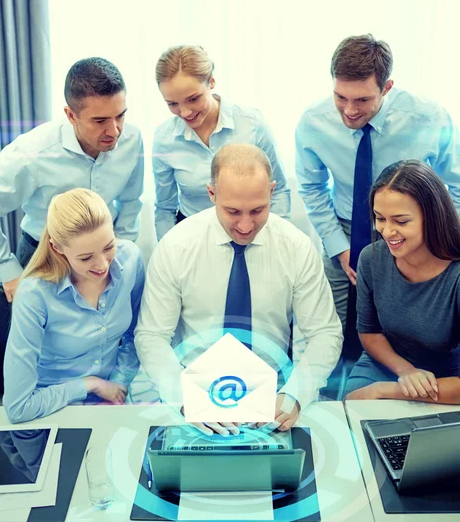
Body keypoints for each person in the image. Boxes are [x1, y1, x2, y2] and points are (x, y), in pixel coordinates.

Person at [135, 144, 342, 435]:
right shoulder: (175, 247)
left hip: (273, 400)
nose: (246, 225)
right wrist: (185, 400)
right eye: (232, 211)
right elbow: (151, 336)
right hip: (195, 398)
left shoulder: (296, 248)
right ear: (211, 194)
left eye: (258, 210)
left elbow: (325, 333)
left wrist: (294, 395)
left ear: (272, 191)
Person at [295, 34, 460, 330]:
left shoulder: (428, 118)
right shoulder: (313, 122)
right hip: (344, 229)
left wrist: (440, 237)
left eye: (362, 99)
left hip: (415, 232)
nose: (349, 110)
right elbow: (311, 187)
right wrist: (339, 247)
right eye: (340, 97)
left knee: (403, 325)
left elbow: (457, 184)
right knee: (331, 325)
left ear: (387, 88)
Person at [0, 57, 144, 302]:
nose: (115, 130)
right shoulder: (30, 153)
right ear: (71, 115)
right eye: (100, 121)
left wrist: (119, 253)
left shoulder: (132, 139)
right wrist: (8, 270)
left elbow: (130, 201)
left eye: (120, 116)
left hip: (103, 256)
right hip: (45, 258)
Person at [3, 188, 145, 423]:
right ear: (57, 248)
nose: (102, 265)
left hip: (111, 402)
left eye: (109, 246)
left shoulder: (131, 259)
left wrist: (117, 385)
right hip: (50, 409)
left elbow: (136, 334)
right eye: (85, 257)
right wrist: (89, 385)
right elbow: (18, 407)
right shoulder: (35, 293)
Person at [344, 160, 460, 404]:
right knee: (352, 405)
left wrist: (387, 390)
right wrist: (405, 371)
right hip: (386, 363)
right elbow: (369, 333)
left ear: (432, 217)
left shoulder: (456, 274)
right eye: (380, 218)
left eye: (401, 221)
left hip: (449, 376)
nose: (387, 231)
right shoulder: (371, 258)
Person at [152, 45, 290, 240]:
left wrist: (276, 240)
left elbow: (279, 191)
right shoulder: (164, 138)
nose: (185, 112)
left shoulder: (252, 125)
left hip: (251, 230)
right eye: (172, 104)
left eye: (193, 99)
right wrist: (166, 252)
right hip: (193, 235)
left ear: (211, 82)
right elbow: (165, 208)